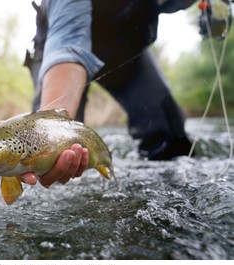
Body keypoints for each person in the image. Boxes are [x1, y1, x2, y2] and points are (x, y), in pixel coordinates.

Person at [20, 0, 197, 187]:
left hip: (123, 47)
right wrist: (47, 133)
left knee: (170, 136)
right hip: (61, 46)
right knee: (48, 158)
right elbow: (67, 47)